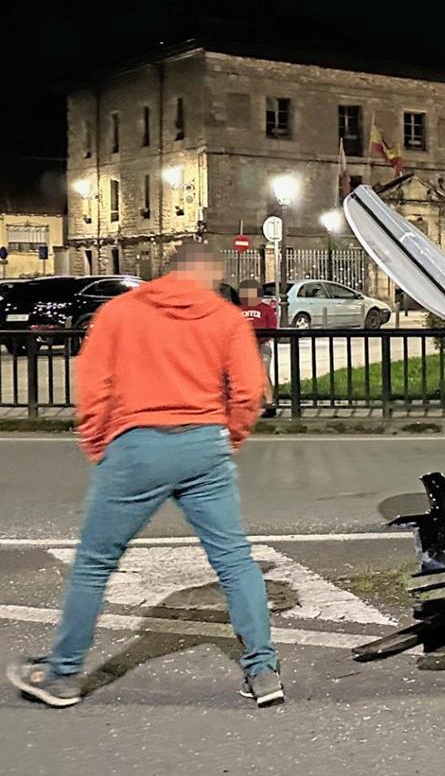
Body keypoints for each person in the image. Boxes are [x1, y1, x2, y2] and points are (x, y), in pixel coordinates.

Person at [7, 240, 283, 708]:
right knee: (234, 560)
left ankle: (62, 676)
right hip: (204, 444)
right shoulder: (225, 319)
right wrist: (227, 438)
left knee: (95, 564)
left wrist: (99, 443)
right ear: (209, 275)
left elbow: (93, 387)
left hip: (136, 445)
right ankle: (263, 670)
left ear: (168, 270)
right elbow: (249, 390)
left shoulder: (121, 312)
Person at [239, 278, 279, 418]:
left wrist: (261, 339)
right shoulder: (238, 309)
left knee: (263, 373)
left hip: (262, 345)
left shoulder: (265, 309)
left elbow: (272, 328)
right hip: (242, 347)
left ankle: (269, 403)